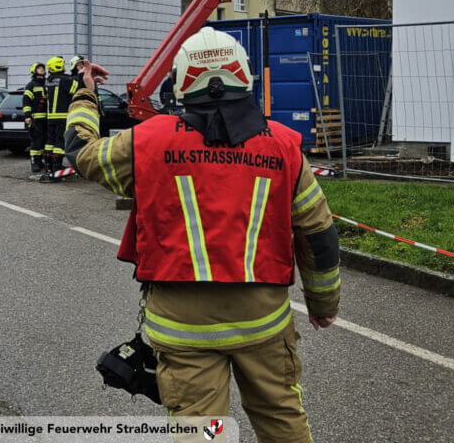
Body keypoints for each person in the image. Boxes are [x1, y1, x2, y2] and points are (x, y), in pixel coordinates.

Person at [65, 27, 341, 443]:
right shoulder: (283, 147)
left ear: (181, 82)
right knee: (282, 419)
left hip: (181, 329)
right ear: (244, 76)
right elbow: (318, 233)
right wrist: (323, 304)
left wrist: (84, 95)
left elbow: (83, 154)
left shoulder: (147, 142)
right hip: (263, 322)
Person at [43, 56, 78, 180]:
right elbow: (76, 88)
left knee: (50, 142)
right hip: (62, 116)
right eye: (62, 65)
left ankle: (48, 166)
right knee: (60, 142)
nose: (64, 67)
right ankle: (57, 167)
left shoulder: (48, 80)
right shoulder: (64, 79)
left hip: (50, 117)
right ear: (58, 66)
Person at [23, 62, 47, 175]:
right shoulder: (30, 85)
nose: (42, 70)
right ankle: (34, 163)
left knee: (43, 141)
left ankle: (40, 161)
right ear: (34, 71)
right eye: (39, 68)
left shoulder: (46, 84)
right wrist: (27, 116)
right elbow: (26, 102)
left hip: (46, 118)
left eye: (42, 68)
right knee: (36, 141)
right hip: (35, 118)